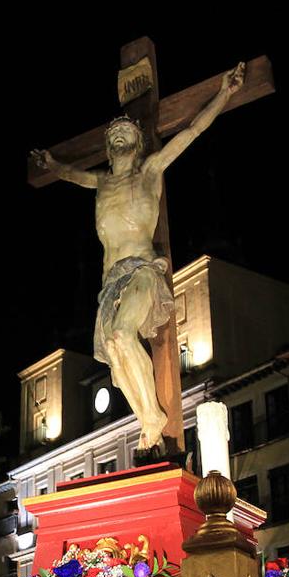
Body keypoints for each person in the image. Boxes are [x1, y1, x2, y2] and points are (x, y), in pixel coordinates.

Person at [32, 62, 245, 450]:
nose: (118, 139)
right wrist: (51, 164)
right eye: (113, 136)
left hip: (142, 270)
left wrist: (225, 93)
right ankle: (147, 420)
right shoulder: (100, 182)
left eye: (125, 133)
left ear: (137, 141)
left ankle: (152, 419)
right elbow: (68, 174)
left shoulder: (149, 171)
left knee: (120, 333)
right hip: (110, 281)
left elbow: (192, 130)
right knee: (114, 349)